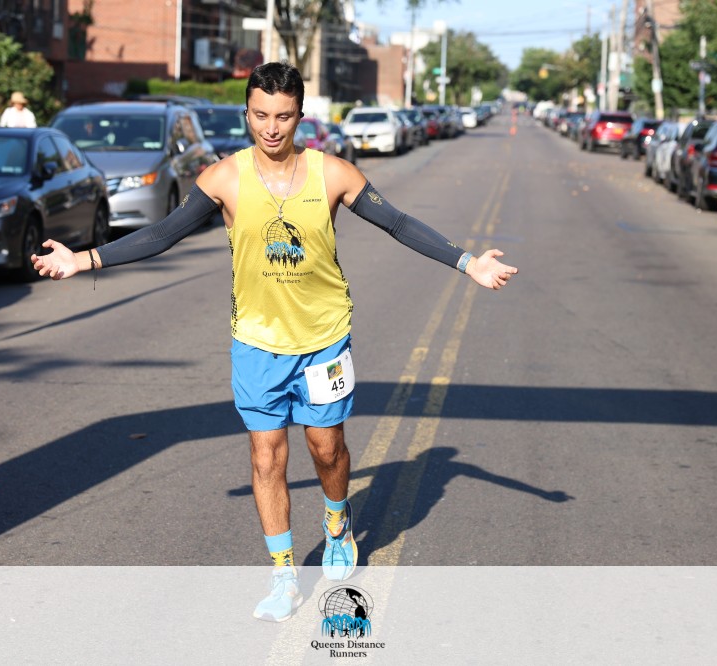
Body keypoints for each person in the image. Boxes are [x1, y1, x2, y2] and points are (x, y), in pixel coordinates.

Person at [31, 62, 517, 622]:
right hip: (257, 343)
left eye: (283, 116)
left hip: (324, 339)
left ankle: (337, 522)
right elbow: (163, 234)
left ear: (299, 116)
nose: (270, 127)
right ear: (247, 113)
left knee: (326, 449)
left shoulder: (332, 173)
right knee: (266, 457)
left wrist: (467, 262)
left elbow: (399, 223)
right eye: (260, 115)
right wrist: (84, 259)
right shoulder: (223, 178)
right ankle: (283, 575)